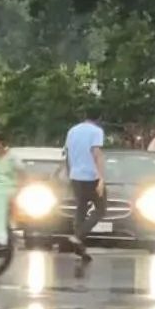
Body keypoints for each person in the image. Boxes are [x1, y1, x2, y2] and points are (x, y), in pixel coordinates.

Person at [62, 109, 106, 261]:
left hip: (76, 176)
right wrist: (101, 178)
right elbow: (96, 153)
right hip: (90, 176)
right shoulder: (96, 131)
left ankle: (80, 248)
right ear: (99, 118)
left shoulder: (72, 130)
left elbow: (67, 155)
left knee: (81, 209)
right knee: (100, 209)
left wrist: (70, 174)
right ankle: (78, 236)